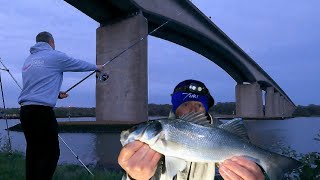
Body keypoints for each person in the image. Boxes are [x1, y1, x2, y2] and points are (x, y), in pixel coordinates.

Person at [118, 79, 265, 180]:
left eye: (199, 105)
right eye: (186, 104)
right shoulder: (155, 141)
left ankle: (269, 161)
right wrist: (134, 177)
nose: (193, 110)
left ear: (206, 109)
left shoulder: (225, 133)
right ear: (176, 108)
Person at [18, 31, 103, 180]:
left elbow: (36, 84)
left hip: (25, 111)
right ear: (51, 42)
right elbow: (77, 64)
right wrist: (97, 67)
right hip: (42, 112)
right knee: (51, 153)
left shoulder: (29, 60)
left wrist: (55, 93)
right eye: (54, 43)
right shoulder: (54, 56)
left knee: (34, 152)